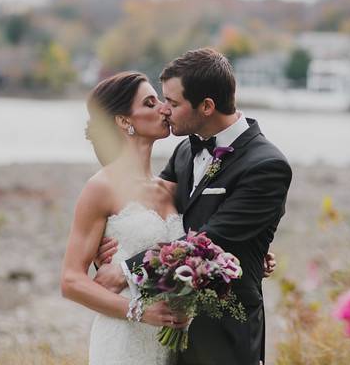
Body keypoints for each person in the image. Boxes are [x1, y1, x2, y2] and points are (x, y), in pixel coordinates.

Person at [95, 48, 292, 365]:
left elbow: (211, 241)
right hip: (167, 331)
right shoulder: (185, 152)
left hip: (225, 335)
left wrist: (127, 271)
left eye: (172, 103)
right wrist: (110, 242)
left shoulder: (267, 165)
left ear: (207, 106)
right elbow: (153, 212)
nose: (165, 111)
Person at [60, 71, 189, 365]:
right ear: (124, 121)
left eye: (161, 100)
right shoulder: (101, 187)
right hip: (123, 339)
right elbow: (71, 280)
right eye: (150, 103)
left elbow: (201, 243)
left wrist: (255, 253)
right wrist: (139, 311)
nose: (164, 108)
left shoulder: (173, 190)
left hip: (174, 344)